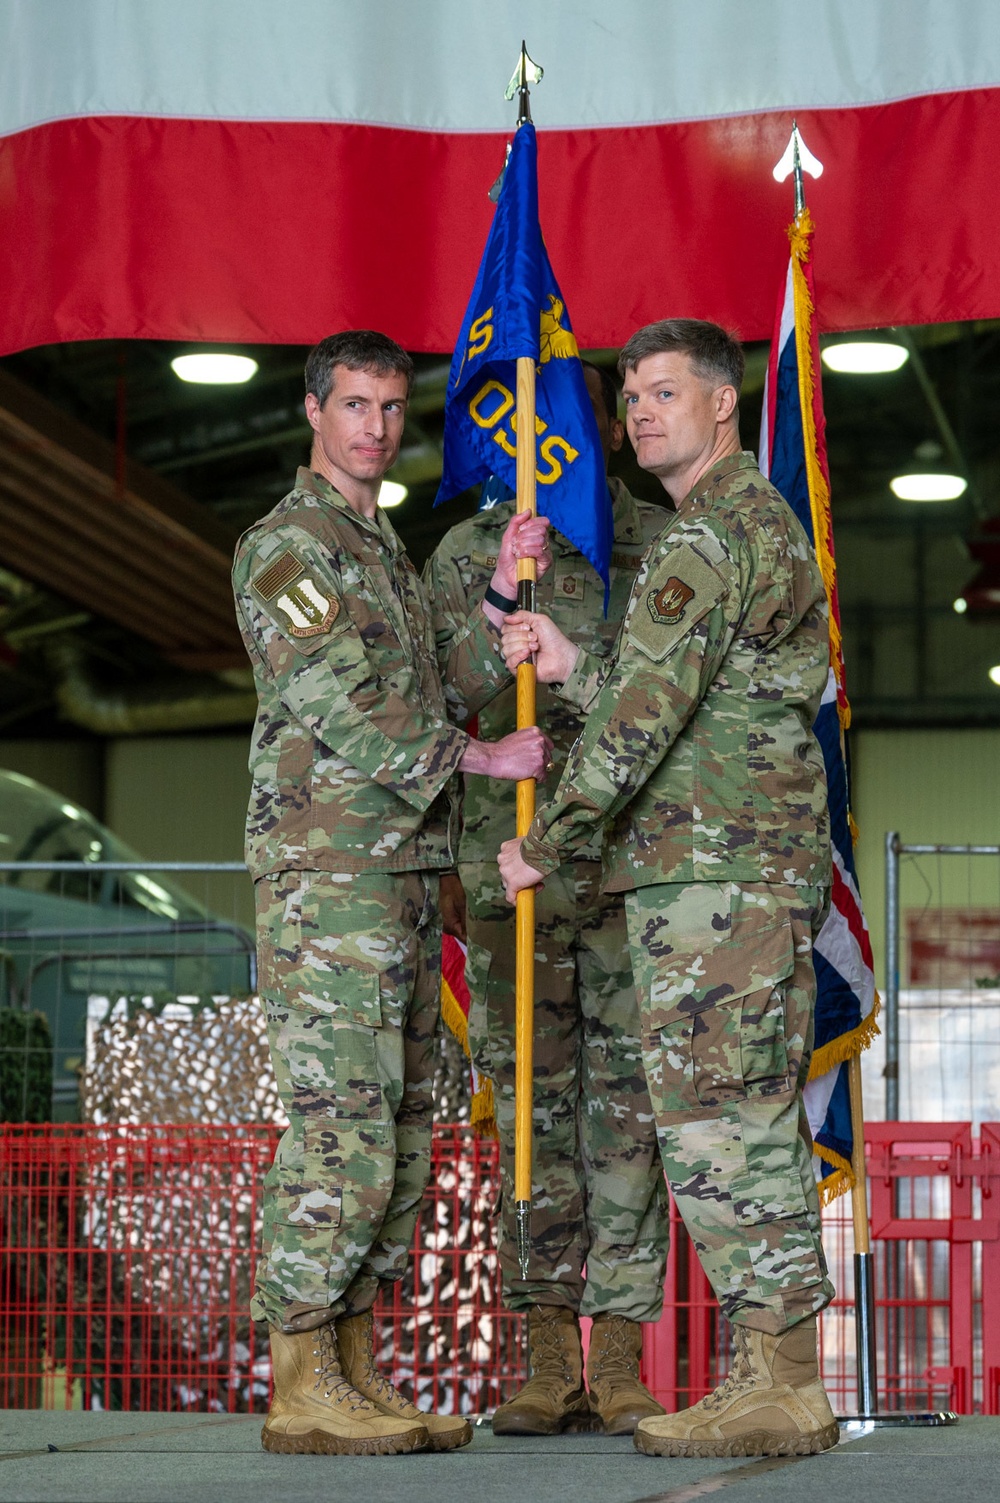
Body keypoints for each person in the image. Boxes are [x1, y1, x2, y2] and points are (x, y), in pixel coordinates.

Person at [497, 319, 840, 1459]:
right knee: (739, 1121)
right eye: (632, 397)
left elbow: (643, 726)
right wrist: (577, 665)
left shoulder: (708, 537)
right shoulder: (742, 525)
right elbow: (693, 698)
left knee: (717, 1129)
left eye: (663, 393)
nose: (640, 413)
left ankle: (779, 1380)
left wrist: (542, 845)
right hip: (729, 869)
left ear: (723, 403)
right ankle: (775, 1370)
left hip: (714, 880)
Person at [232, 329, 552, 1457]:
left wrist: (504, 592)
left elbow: (442, 685)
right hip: (332, 881)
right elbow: (340, 700)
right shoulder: (286, 548)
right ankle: (302, 1376)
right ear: (313, 412)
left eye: (388, 408)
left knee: (405, 1130)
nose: (373, 427)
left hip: (409, 876)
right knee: (342, 1130)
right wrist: (480, 762)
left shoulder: (381, 553)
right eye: (353, 405)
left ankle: (354, 1375)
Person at [424, 363, 671, 1436]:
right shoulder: (470, 551)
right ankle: (542, 1361)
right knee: (530, 1114)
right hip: (506, 878)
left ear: (602, 428)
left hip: (622, 875)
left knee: (625, 1116)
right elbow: (433, 699)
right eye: (522, 423)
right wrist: (498, 598)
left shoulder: (658, 542)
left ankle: (616, 1360)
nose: (545, 440)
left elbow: (678, 699)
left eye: (566, 421)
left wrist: (576, 660)